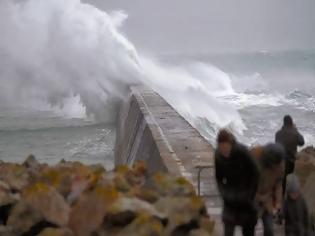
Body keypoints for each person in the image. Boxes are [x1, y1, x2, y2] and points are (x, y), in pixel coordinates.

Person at [215, 129, 260, 236]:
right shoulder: (218, 156)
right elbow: (218, 178)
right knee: (228, 229)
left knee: (248, 229)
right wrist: (224, 193)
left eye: (226, 148)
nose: (224, 151)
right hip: (230, 198)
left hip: (246, 198)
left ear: (230, 144)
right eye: (221, 148)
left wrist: (250, 194)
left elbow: (256, 173)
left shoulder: (242, 151)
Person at [254, 144, 285, 236]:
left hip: (268, 200)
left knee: (269, 229)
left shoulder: (280, 165)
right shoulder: (254, 159)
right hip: (252, 198)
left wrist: (278, 202)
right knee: (249, 227)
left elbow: (278, 184)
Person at [275, 115, 304, 195]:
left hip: (280, 161)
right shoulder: (294, 133)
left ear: (283, 123)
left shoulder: (278, 134)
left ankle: (282, 196)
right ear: (291, 123)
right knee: (291, 180)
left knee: (283, 182)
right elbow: (302, 142)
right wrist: (295, 130)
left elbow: (277, 144)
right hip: (291, 162)